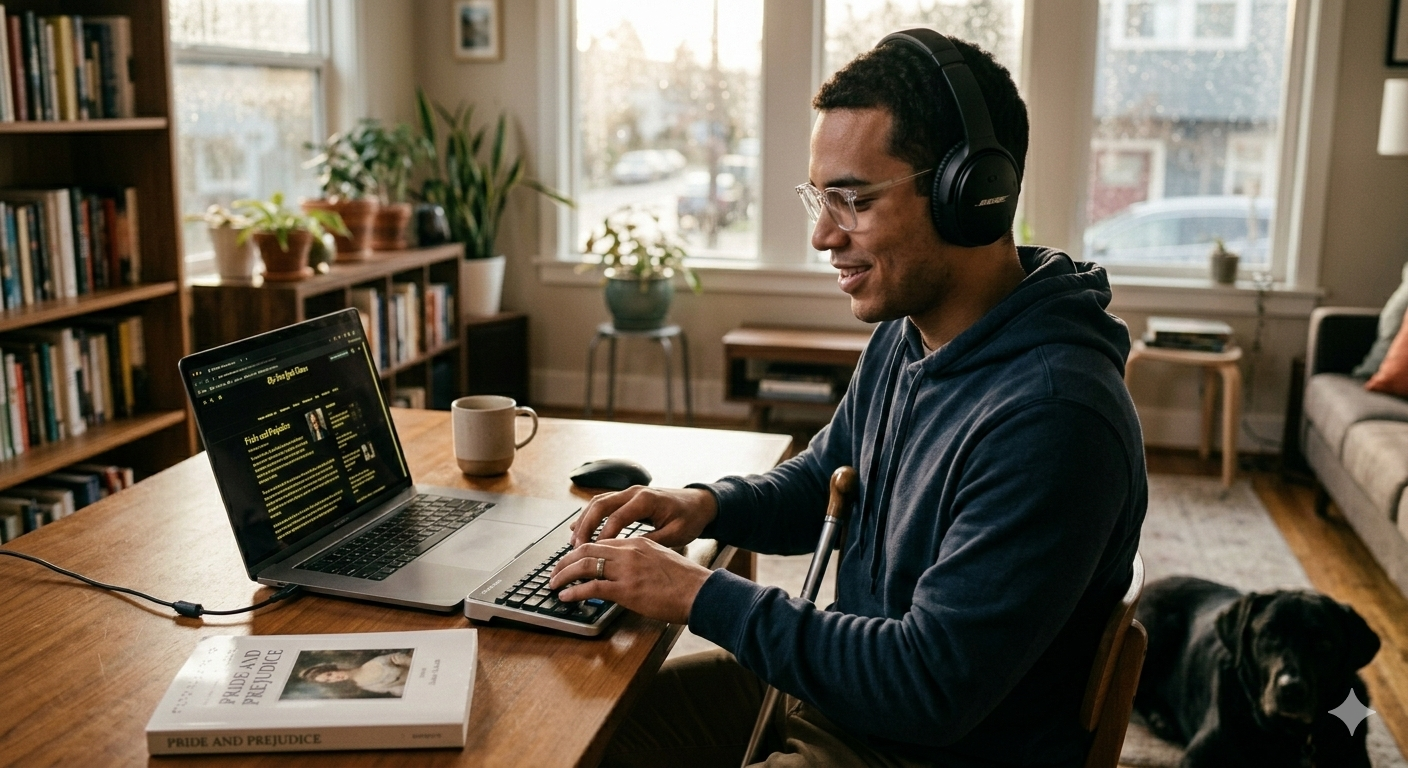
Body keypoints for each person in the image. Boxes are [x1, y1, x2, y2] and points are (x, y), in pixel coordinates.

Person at [548, 29, 1147, 768]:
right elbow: (829, 478)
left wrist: (700, 595)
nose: (823, 235)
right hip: (848, 700)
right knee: (575, 739)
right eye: (819, 197)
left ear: (971, 193)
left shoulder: (1053, 417)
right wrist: (706, 505)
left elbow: (929, 687)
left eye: (852, 199)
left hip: (918, 747)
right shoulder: (909, 334)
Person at [299, 651, 412, 697]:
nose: (334, 678)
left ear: (332, 668)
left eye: (329, 674)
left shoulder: (376, 662)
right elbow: (398, 690)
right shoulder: (366, 686)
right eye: (328, 680)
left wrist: (406, 662)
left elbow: (410, 659)